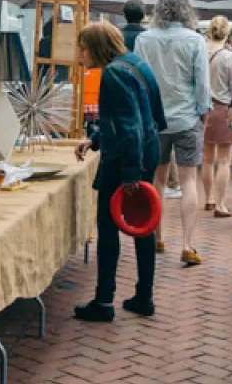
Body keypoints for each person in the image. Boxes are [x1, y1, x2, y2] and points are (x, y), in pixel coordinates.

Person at [73, 23, 166, 322]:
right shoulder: (137, 63)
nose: (79, 55)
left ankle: (103, 301)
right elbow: (152, 117)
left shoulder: (113, 73)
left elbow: (128, 124)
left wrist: (128, 174)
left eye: (82, 48)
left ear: (96, 46)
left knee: (108, 227)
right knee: (144, 224)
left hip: (126, 159)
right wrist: (97, 139)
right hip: (146, 153)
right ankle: (144, 295)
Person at [134, 0, 211, 266]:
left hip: (154, 120)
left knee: (158, 180)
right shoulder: (195, 40)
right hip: (187, 118)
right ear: (186, 10)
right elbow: (201, 83)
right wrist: (204, 112)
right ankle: (188, 244)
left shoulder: (144, 39)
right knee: (189, 180)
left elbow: (138, 79)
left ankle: (157, 237)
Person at [201, 16, 232, 218]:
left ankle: (208, 198)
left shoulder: (200, 52)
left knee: (207, 159)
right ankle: (221, 203)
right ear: (227, 34)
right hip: (224, 108)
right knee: (224, 160)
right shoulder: (229, 57)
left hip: (203, 108)